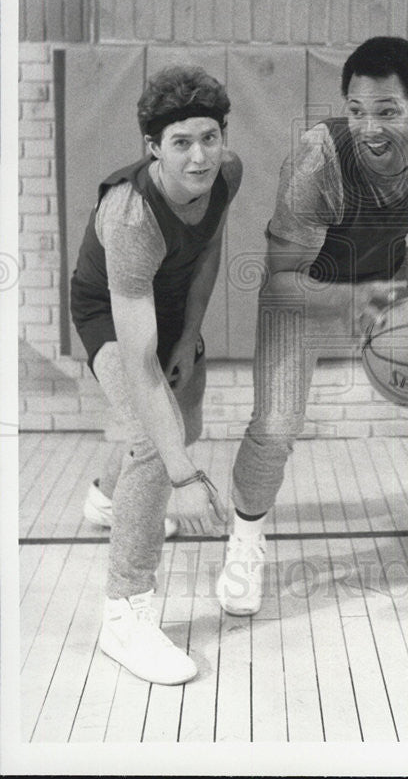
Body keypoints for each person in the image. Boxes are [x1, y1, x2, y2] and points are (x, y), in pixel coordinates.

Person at [217, 36, 408, 624]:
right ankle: (244, 546)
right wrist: (349, 299)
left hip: (385, 276)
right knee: (275, 427)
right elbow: (278, 282)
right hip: (305, 290)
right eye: (356, 111)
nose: (368, 127)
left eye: (386, 112)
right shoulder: (317, 158)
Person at [70, 65, 240, 684]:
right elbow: (140, 367)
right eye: (180, 143)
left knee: (183, 420)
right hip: (109, 311)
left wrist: (191, 335)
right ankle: (124, 613)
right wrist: (186, 477)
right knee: (154, 441)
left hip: (168, 302)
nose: (199, 156)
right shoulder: (132, 217)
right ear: (153, 148)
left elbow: (210, 247)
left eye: (209, 137)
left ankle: (104, 498)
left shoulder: (228, 172)